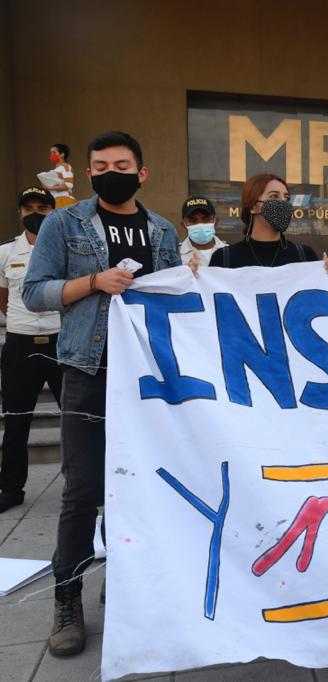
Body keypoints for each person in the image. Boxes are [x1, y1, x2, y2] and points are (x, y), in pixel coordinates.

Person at [22, 130, 182, 657]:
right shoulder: (62, 224)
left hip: (149, 379)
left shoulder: (161, 229)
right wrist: (94, 281)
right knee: (82, 490)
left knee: (137, 487)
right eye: (99, 164)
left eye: (121, 163)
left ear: (142, 172)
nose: (110, 170)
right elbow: (35, 291)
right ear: (88, 173)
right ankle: (67, 599)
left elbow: (176, 298)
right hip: (89, 373)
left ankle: (127, 583)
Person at [0, 187, 63, 514]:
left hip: (60, 341)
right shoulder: (6, 252)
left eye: (43, 206)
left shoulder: (67, 250)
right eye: (29, 208)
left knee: (78, 421)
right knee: (16, 420)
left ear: (53, 212)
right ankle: (11, 488)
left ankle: (82, 486)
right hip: (20, 343)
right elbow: (3, 296)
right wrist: (22, 321)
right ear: (20, 212)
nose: (35, 212)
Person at [208, 174, 318, 268]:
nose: (283, 203)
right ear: (252, 207)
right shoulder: (224, 259)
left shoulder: (305, 256)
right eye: (274, 196)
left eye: (287, 198)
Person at [178, 196, 226, 268]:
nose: (200, 224)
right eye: (193, 220)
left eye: (206, 219)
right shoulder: (175, 256)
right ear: (183, 225)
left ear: (216, 221)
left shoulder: (229, 253)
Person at [41, 143, 76, 208]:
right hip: (56, 201)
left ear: (62, 154)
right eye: (51, 153)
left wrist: (49, 187)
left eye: (54, 152)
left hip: (65, 200)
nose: (51, 155)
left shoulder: (65, 166)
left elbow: (69, 185)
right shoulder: (57, 169)